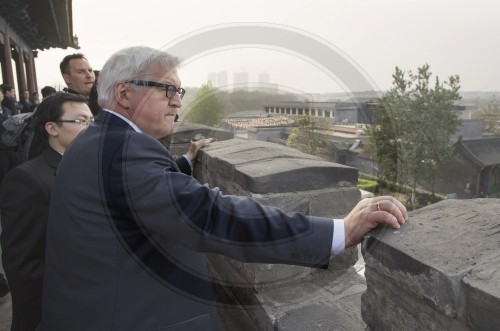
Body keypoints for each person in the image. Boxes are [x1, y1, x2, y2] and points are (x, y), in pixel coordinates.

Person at [41, 46, 407, 331]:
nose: (179, 101)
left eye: (179, 90)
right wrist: (338, 232)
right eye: (167, 89)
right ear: (123, 93)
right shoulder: (122, 150)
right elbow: (209, 215)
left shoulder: (99, 141)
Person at [0, 92, 93, 331]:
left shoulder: (89, 167)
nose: (90, 128)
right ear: (52, 128)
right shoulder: (28, 179)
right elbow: (24, 266)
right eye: (81, 121)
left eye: (92, 121)